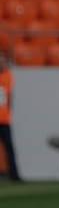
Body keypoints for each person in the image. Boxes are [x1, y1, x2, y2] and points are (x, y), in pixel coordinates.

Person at [0, 51, 21, 182]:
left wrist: (9, 112)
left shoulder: (8, 76)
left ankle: (14, 175)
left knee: (9, 148)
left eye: (2, 61)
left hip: (4, 120)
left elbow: (9, 96)